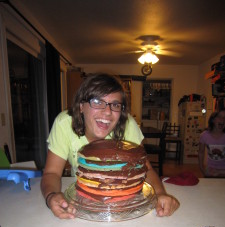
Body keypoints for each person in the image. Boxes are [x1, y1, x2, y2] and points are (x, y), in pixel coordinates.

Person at [41, 73, 180, 219]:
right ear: (81, 106)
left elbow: (147, 169)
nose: (107, 112)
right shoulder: (64, 123)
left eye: (115, 105)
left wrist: (160, 193)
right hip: (82, 204)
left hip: (127, 203)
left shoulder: (127, 125)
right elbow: (52, 173)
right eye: (97, 101)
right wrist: (51, 196)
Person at [198, 109, 225, 177]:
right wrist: (202, 168)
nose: (222, 119)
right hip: (210, 171)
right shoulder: (204, 135)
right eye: (219, 117)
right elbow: (201, 152)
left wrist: (220, 172)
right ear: (213, 120)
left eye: (224, 118)